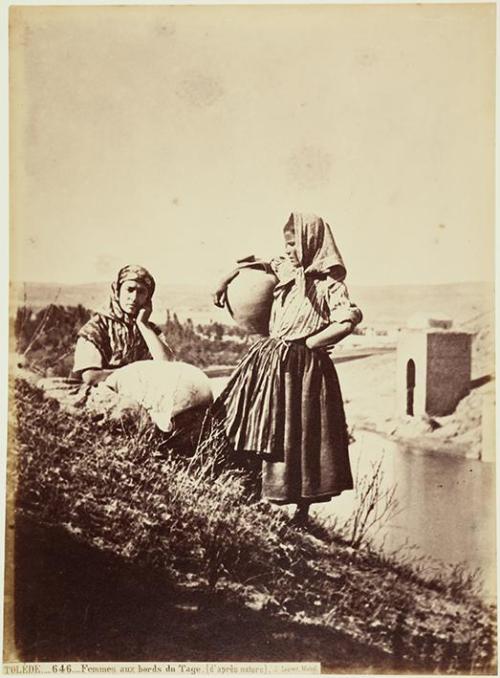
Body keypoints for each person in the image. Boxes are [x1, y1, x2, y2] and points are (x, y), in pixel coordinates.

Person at [211, 212, 362, 525]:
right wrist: (223, 282)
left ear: (311, 243)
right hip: (268, 360)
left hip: (303, 371)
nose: (289, 250)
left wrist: (312, 343)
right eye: (287, 244)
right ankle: (244, 489)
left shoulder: (329, 284)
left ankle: (301, 512)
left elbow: (346, 320)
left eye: (294, 245)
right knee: (250, 419)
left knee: (300, 433)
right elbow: (252, 265)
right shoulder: (286, 269)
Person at [73, 264, 172, 384]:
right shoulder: (96, 328)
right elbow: (91, 377)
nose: (134, 298)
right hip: (100, 394)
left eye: (141, 292)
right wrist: (138, 374)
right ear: (117, 291)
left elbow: (167, 365)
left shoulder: (150, 330)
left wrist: (143, 324)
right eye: (129, 290)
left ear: (148, 299)